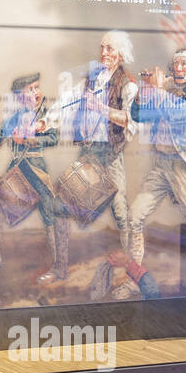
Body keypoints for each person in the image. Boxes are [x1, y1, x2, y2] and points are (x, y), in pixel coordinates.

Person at [128, 47, 186, 295]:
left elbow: (179, 116)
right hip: (161, 166)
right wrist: (142, 92)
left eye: (184, 65)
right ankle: (133, 277)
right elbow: (138, 116)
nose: (178, 69)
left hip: (181, 166)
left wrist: (157, 91)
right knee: (134, 216)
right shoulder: (165, 92)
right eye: (176, 64)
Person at [0, 72, 68, 284]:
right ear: (20, 97)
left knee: (49, 214)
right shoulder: (16, 117)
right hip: (17, 171)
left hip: (37, 172)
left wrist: (28, 140)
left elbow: (53, 139)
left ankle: (59, 268)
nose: (35, 93)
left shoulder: (47, 115)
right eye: (30, 90)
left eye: (36, 88)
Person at [69, 30, 139, 250]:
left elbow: (130, 121)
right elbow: (69, 102)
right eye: (102, 47)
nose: (104, 53)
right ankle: (60, 265)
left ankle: (129, 260)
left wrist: (100, 108)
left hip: (110, 154)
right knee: (65, 200)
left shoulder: (128, 84)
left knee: (119, 209)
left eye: (110, 48)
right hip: (87, 152)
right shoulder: (91, 78)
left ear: (121, 53)